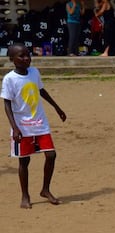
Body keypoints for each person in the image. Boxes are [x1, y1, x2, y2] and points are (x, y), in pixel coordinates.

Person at [1, 43, 67, 208]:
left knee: (51, 155)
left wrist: (57, 107)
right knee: (24, 161)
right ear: (12, 60)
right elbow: (7, 104)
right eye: (21, 56)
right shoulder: (10, 79)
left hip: (40, 122)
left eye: (28, 55)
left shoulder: (34, 72)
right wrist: (14, 127)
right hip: (22, 125)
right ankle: (25, 196)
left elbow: (41, 90)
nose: (26, 59)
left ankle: (45, 189)